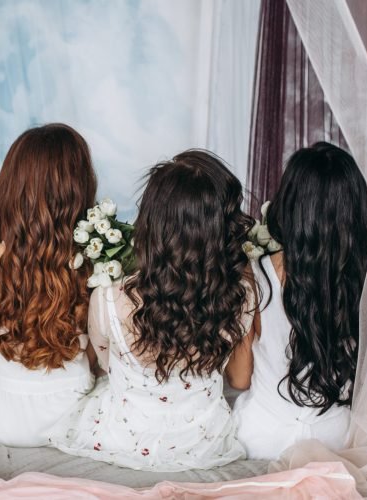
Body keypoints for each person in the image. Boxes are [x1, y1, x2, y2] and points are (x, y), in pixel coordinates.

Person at [51, 150, 251, 470]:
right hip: (202, 442)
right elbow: (238, 379)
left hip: (122, 437)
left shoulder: (107, 298)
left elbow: (105, 364)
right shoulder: (243, 296)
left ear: (151, 222)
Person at [228, 142, 367, 460]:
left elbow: (239, 379)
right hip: (335, 438)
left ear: (291, 205)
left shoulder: (256, 276)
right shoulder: (366, 283)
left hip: (263, 436)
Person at [0, 123, 98, 447]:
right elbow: (95, 360)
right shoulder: (95, 261)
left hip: (3, 421)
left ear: (10, 185)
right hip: (74, 419)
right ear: (78, 189)